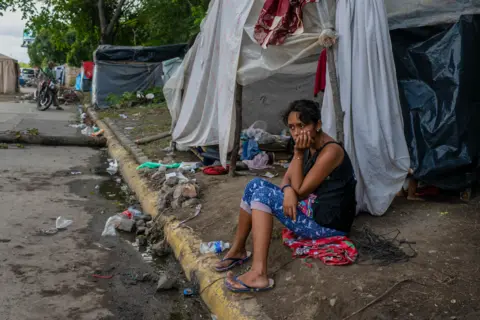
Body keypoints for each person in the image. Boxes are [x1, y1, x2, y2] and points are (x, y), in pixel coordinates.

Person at [216, 100, 357, 293]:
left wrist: (297, 158)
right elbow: (287, 181)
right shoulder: (308, 146)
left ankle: (259, 274)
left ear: (317, 125)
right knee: (254, 184)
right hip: (312, 209)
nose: (297, 132)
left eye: (302, 125)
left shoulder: (331, 151)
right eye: (292, 127)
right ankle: (238, 250)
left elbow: (302, 191)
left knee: (263, 194)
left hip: (328, 224)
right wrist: (288, 190)